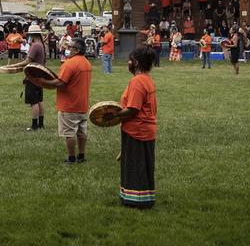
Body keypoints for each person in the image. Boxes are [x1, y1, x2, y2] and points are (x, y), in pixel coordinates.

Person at [102, 46, 157, 208]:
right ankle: (144, 199)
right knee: (142, 165)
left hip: (137, 131)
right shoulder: (147, 78)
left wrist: (114, 115)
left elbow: (133, 109)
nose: (128, 63)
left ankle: (135, 201)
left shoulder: (137, 81)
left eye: (130, 60)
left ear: (137, 63)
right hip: (145, 130)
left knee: (136, 166)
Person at [31, 38, 91, 164]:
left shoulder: (69, 64)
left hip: (69, 105)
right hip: (83, 104)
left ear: (77, 50)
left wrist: (42, 82)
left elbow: (60, 82)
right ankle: (81, 155)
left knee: (69, 133)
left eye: (70, 47)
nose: (67, 49)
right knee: (81, 132)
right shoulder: (86, 62)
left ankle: (71, 158)